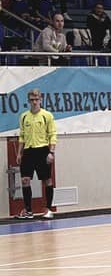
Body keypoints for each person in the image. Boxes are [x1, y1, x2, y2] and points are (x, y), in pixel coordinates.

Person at [15, 88, 57, 219]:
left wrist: (51, 152)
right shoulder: (24, 116)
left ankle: (48, 209)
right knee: (25, 180)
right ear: (28, 101)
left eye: (36, 99)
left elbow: (52, 134)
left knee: (47, 180)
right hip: (28, 151)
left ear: (41, 100)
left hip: (42, 150)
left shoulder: (47, 115)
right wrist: (19, 153)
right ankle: (28, 211)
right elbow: (22, 136)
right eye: (32, 100)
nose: (34, 102)